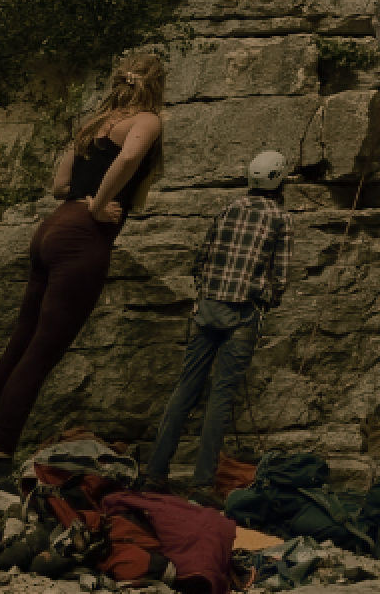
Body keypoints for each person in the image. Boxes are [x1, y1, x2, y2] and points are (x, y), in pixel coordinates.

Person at [0, 53, 166, 486]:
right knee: (40, 354)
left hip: (51, 229)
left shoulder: (94, 123)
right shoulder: (147, 120)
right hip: (82, 237)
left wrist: (84, 196)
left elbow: (59, 186)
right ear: (157, 85)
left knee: (20, 342)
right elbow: (129, 158)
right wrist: (98, 204)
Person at [140, 149, 293, 504]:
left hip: (206, 309)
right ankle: (202, 485)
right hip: (243, 315)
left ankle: (154, 475)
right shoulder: (281, 218)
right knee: (221, 398)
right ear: (279, 180)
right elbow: (281, 276)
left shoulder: (229, 208)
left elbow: (201, 259)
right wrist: (264, 298)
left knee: (185, 391)